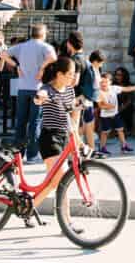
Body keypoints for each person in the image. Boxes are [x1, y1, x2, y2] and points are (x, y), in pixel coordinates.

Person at [31, 57, 82, 211]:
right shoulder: (47, 89)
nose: (73, 77)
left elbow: (73, 114)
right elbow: (38, 97)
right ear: (60, 74)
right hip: (50, 139)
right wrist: (39, 98)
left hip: (65, 138)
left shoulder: (69, 90)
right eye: (71, 74)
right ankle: (66, 221)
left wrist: (77, 138)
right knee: (62, 180)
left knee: (54, 182)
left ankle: (30, 206)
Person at [7, 24, 58, 162]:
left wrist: (16, 66)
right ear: (43, 34)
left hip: (22, 87)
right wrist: (42, 67)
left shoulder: (21, 46)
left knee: (21, 122)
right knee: (35, 122)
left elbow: (3, 54)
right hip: (38, 88)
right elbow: (53, 57)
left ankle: (18, 153)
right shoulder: (45, 46)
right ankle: (32, 154)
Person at [96, 72, 135, 155]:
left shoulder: (114, 88)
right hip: (105, 116)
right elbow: (100, 106)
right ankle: (102, 147)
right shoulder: (99, 92)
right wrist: (108, 106)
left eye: (105, 82)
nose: (103, 84)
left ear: (110, 82)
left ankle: (124, 145)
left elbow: (126, 89)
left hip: (115, 114)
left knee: (120, 129)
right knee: (105, 132)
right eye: (101, 82)